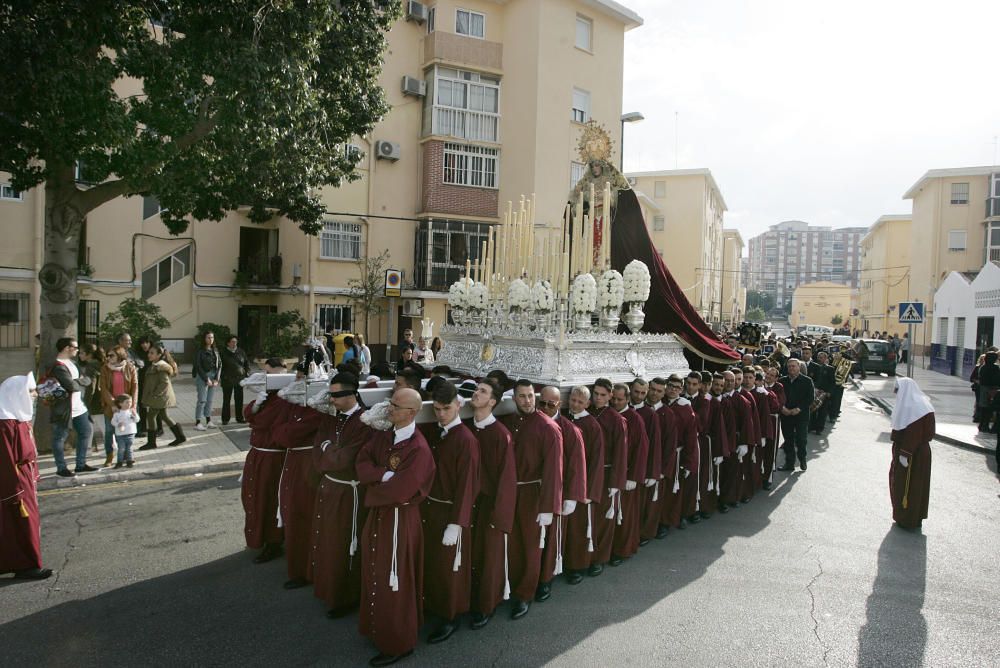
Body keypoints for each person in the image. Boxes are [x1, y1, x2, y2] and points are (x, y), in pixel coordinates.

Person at [356, 387, 436, 667]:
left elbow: (401, 491)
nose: (389, 409)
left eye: (396, 406)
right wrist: (383, 475)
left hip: (400, 520)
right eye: (391, 403)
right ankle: (378, 629)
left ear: (411, 413)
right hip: (380, 516)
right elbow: (362, 464)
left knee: (395, 579)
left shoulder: (418, 448)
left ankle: (398, 642)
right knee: (375, 571)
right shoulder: (383, 435)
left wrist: (378, 485)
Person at [310, 371, 373, 619]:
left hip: (349, 492)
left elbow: (347, 459)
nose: (332, 400)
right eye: (331, 395)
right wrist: (329, 451)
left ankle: (347, 596)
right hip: (330, 488)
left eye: (336, 395)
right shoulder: (332, 417)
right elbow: (319, 449)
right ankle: (329, 590)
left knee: (345, 544)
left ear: (352, 394)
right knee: (327, 541)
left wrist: (329, 451)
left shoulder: (363, 421)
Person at [422, 382, 480, 644]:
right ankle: (433, 608)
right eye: (436, 409)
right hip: (431, 508)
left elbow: (467, 485)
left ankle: (451, 616)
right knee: (433, 564)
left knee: (450, 569)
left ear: (458, 405)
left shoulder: (466, 440)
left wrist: (456, 523)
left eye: (446, 408)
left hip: (451, 513)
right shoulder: (436, 433)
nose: (441, 414)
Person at [501, 379, 562, 620]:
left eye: (530, 396)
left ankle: (524, 595)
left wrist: (548, 507)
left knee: (530, 547)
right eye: (522, 396)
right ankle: (508, 587)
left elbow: (553, 471)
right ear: (514, 398)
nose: (527, 400)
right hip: (510, 493)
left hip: (532, 495)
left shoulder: (548, 427)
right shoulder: (510, 422)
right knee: (512, 545)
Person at [467, 378, 517, 629]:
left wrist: (499, 517)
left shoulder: (500, 435)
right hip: (469, 504)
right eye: (477, 389)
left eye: (483, 392)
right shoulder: (468, 428)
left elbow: (507, 480)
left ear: (493, 401)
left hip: (489, 506)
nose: (476, 394)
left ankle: (485, 606)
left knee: (488, 558)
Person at [536, 385, 586, 600]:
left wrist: (572, 496)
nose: (545, 408)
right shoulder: (533, 423)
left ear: (559, 404)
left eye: (551, 404)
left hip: (558, 491)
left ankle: (546, 579)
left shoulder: (569, 429)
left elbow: (577, 464)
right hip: (534, 491)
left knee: (551, 539)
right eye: (542, 403)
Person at [0, 373, 52, 580]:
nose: (35, 395)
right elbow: (5, 458)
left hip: (25, 477)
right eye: (30, 391)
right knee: (21, 522)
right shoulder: (5, 424)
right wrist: (14, 490)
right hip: (16, 481)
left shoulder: (19, 418)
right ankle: (27, 565)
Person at [241, 358, 291, 563]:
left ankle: (273, 541)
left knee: (268, 499)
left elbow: (262, 422)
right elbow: (247, 414)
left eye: (272, 376)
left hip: (272, 457)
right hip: (257, 453)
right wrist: (255, 406)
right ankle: (258, 536)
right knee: (252, 497)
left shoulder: (283, 399)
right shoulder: (267, 396)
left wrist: (255, 411)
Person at [562, 385, 606, 581]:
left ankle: (577, 566)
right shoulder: (563, 417)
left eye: (580, 402)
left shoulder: (592, 425)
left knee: (580, 528)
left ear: (588, 404)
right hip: (564, 480)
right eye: (573, 400)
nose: (575, 404)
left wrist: (589, 491)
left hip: (582, 484)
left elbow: (597, 460)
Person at [589, 378, 627, 568]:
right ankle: (584, 558)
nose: (598, 398)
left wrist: (615, 483)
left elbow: (621, 453)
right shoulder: (586, 413)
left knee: (604, 519)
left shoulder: (616, 419)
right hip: (588, 473)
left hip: (606, 474)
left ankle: (600, 559)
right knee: (588, 518)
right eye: (595, 394)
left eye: (603, 395)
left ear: (610, 395)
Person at [889, 378, 935, 530]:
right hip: (918, 453)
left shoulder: (914, 407)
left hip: (912, 454)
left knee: (908, 486)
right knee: (918, 485)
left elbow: (914, 433)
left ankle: (907, 519)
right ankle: (916, 516)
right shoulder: (922, 403)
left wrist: (905, 453)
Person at [610, 383, 648, 562]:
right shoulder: (609, 414)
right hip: (611, 474)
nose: (616, 402)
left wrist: (633, 476)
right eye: (614, 398)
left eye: (620, 399)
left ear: (627, 399)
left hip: (627, 474)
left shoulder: (634, 418)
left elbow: (641, 448)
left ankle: (623, 550)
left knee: (625, 515)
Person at [48, 337, 95, 476]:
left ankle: (80, 465)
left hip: (79, 408)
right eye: (75, 347)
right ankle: (61, 468)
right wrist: (78, 381)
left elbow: (87, 380)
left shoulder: (73, 363)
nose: (77, 350)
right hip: (63, 410)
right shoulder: (57, 366)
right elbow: (71, 386)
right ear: (67, 348)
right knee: (59, 438)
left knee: (85, 432)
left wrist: (78, 381)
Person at [140, 345, 186, 450]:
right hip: (160, 397)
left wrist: (155, 394)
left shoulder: (160, 367)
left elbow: (164, 383)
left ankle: (151, 443)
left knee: (151, 416)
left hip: (159, 398)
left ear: (159, 355)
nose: (149, 354)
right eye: (149, 352)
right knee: (165, 416)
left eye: (152, 353)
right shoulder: (156, 365)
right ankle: (180, 437)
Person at [100, 346, 139, 467]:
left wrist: (132, 405)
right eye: (108, 355)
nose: (108, 358)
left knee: (126, 431)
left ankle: (127, 456)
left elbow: (135, 387)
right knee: (109, 431)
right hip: (111, 405)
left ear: (119, 356)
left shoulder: (130, 367)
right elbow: (104, 388)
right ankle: (109, 455)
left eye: (111, 355)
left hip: (127, 405)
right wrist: (112, 404)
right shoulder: (105, 369)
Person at [778, 359, 814, 471]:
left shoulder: (807, 381)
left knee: (801, 440)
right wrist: (783, 408)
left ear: (799, 367)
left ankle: (802, 459)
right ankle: (789, 464)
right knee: (788, 440)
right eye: (789, 366)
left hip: (801, 416)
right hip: (786, 415)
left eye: (794, 366)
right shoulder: (782, 381)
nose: (791, 368)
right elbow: (777, 397)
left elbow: (810, 398)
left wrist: (799, 409)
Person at [77, 343, 106, 464]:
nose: (79, 355)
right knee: (98, 423)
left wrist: (85, 402)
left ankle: (88, 449)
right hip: (99, 397)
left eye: (82, 353)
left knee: (93, 424)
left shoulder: (91, 365)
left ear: (89, 354)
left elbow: (91, 386)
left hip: (94, 399)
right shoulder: (98, 364)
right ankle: (88, 449)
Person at [193, 330, 221, 430]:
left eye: (212, 337)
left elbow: (219, 365)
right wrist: (206, 379)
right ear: (204, 339)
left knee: (209, 400)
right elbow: (198, 366)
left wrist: (217, 379)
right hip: (202, 376)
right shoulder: (200, 351)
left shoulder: (216, 350)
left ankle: (209, 421)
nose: (211, 339)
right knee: (202, 400)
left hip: (213, 377)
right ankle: (198, 422)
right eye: (208, 337)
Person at [219, 335, 250, 425]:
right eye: (232, 342)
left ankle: (239, 418)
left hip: (239, 379)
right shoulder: (223, 352)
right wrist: (222, 377)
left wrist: (247, 372)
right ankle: (225, 419)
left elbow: (246, 363)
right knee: (226, 400)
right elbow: (219, 367)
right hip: (227, 379)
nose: (234, 343)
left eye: (235, 342)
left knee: (239, 399)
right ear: (228, 343)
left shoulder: (241, 351)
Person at [110, 394, 139, 468]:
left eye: (130, 402)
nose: (129, 404)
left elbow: (137, 420)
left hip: (130, 433)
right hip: (120, 434)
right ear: (120, 403)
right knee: (121, 449)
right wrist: (118, 424)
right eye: (127, 402)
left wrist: (134, 415)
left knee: (129, 448)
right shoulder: (117, 413)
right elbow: (113, 422)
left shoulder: (131, 412)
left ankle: (130, 461)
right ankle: (119, 462)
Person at [976, 352, 1000, 433]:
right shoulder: (995, 367)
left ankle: (982, 425)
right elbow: (997, 379)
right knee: (990, 409)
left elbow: (981, 378)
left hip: (983, 389)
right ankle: (986, 426)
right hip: (992, 389)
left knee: (984, 408)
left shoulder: (983, 367)